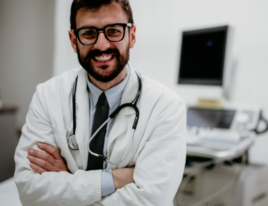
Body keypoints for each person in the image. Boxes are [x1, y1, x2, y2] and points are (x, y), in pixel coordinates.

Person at [13, 0, 187, 205]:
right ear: (73, 40)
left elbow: (151, 200)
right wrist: (118, 178)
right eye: (88, 33)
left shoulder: (166, 107)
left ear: (132, 36)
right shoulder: (47, 95)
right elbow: (30, 190)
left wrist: (68, 178)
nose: (102, 45)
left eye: (113, 31)